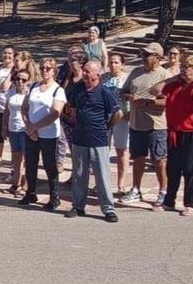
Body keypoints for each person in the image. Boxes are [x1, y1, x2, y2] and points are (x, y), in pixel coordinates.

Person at [151, 55, 193, 216]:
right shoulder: (175, 84)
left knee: (190, 170)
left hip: (192, 133)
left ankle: (190, 203)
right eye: (183, 68)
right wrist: (171, 80)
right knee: (173, 169)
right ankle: (169, 201)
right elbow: (154, 90)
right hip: (174, 132)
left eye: (188, 68)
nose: (184, 71)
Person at [62, 60, 123, 222]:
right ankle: (78, 206)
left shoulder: (104, 92)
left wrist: (108, 126)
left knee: (101, 175)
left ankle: (108, 209)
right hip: (79, 138)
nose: (85, 73)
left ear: (97, 74)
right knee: (79, 174)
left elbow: (118, 113)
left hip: (99, 139)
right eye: (84, 70)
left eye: (88, 71)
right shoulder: (78, 89)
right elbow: (72, 107)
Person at [121, 43, 170, 205]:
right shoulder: (136, 72)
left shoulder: (165, 75)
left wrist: (147, 103)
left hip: (157, 125)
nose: (143, 57)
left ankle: (163, 192)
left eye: (148, 55)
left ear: (157, 57)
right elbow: (123, 91)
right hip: (136, 124)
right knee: (138, 158)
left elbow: (168, 102)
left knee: (160, 160)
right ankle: (136, 189)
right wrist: (130, 97)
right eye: (143, 54)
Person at [20, 57, 66, 209]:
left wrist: (36, 127)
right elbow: (24, 108)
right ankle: (30, 192)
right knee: (30, 163)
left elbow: (55, 113)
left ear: (54, 71)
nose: (45, 71)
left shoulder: (58, 90)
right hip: (32, 133)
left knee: (50, 165)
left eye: (48, 68)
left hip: (49, 134)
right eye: (42, 68)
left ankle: (54, 197)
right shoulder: (34, 86)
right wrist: (29, 126)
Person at [102, 53, 131, 194]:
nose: (113, 65)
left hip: (122, 118)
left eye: (116, 62)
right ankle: (103, 182)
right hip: (105, 118)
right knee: (103, 151)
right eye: (111, 62)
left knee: (122, 150)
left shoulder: (127, 79)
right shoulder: (104, 78)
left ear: (122, 64)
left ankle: (121, 185)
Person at [3, 66, 31, 196]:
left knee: (27, 158)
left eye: (23, 80)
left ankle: (26, 185)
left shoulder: (31, 94)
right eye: (18, 79)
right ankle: (16, 183)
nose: (20, 82)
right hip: (13, 128)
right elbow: (6, 111)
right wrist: (4, 127)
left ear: (29, 81)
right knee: (16, 158)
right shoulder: (11, 92)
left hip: (25, 130)